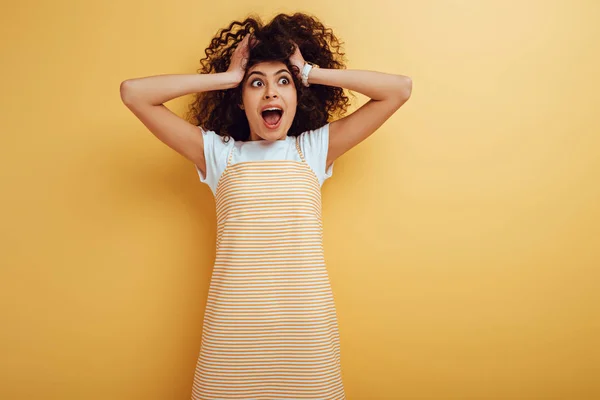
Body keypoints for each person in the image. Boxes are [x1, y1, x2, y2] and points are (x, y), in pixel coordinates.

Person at [120, 11, 412, 400]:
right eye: (256, 84)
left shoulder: (312, 149)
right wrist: (227, 78)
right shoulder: (219, 154)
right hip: (233, 334)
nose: (271, 93)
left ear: (297, 95)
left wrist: (309, 70)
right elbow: (132, 93)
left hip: (305, 336)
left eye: (283, 82)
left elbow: (399, 89)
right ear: (241, 102)